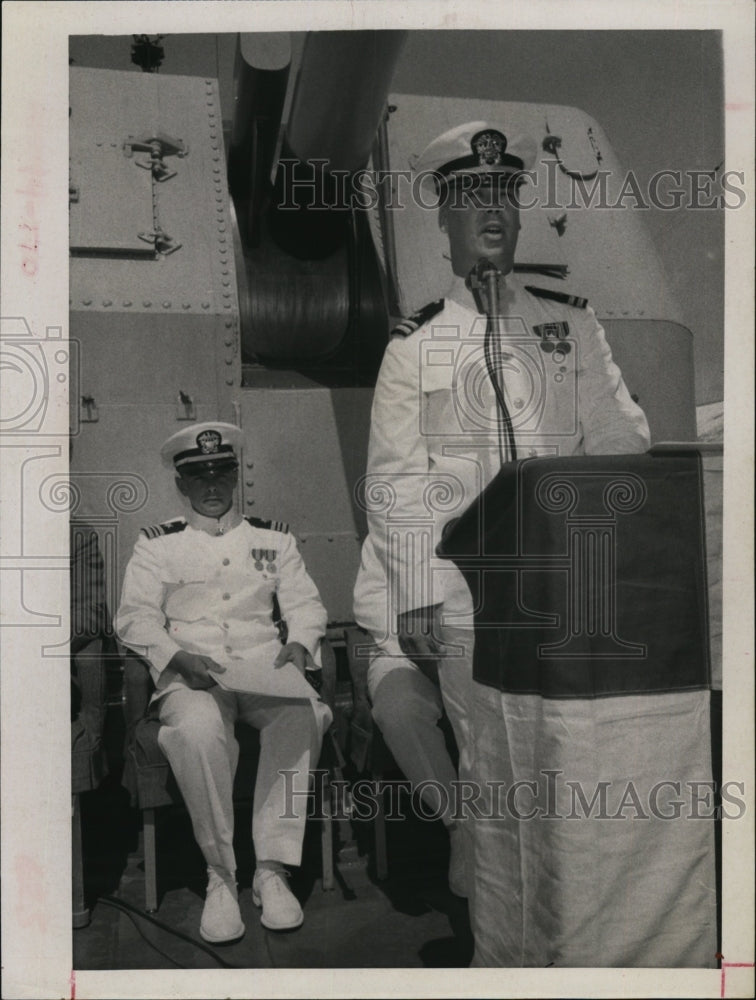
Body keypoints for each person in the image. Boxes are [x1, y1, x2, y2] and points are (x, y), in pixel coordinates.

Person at [353, 122, 650, 900]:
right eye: (471, 196)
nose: (491, 210)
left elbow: (621, 440)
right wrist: (417, 592)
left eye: (504, 195)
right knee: (490, 767)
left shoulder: (571, 323)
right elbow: (395, 481)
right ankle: (496, 928)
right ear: (444, 218)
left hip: (567, 591)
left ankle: (573, 919)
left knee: (573, 761)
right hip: (466, 600)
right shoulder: (413, 346)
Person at [116, 422, 330, 943]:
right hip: (193, 675)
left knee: (302, 714)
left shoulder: (272, 538)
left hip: (264, 669)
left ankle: (272, 870)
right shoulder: (157, 545)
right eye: (199, 476)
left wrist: (301, 643)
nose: (211, 485)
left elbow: (305, 604)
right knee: (197, 732)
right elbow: (134, 618)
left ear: (234, 477)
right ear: (181, 484)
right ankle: (221, 875)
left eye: (220, 473)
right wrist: (175, 656)